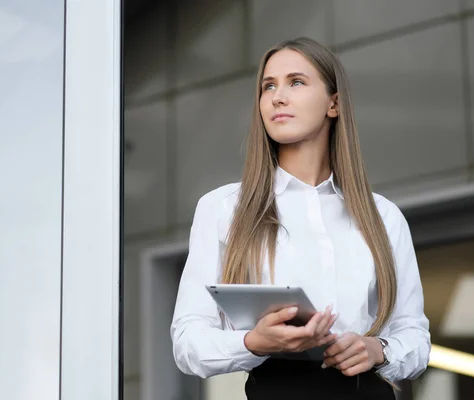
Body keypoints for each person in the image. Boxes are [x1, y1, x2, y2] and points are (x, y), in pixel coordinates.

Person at [170, 37, 430, 399]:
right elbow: (187, 340)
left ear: (334, 103)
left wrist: (377, 350)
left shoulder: (383, 216)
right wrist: (253, 341)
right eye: (268, 86)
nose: (277, 97)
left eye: (296, 82)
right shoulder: (223, 208)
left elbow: (414, 335)